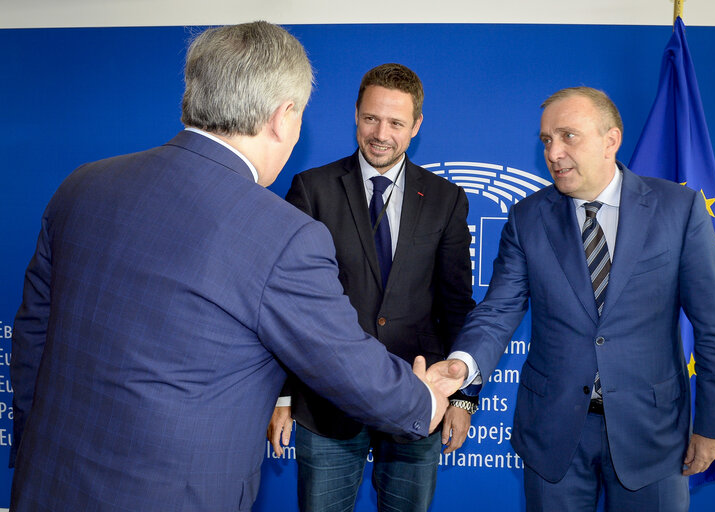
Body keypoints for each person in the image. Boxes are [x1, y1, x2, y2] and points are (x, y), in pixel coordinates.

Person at [9, 22, 455, 512]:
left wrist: (32, 445)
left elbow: (33, 335)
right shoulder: (282, 234)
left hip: (46, 482)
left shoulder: (82, 185)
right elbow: (341, 359)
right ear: (283, 117)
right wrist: (424, 401)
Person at [429, 87, 715, 511]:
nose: (553, 152)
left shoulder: (678, 210)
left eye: (568, 136)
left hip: (652, 433)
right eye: (546, 140)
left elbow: (714, 325)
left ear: (611, 140)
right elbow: (499, 310)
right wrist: (462, 364)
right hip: (553, 433)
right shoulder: (527, 218)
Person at [267, 63, 476, 512]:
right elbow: (286, 304)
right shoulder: (313, 189)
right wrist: (283, 394)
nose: (381, 133)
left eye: (396, 122)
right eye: (371, 118)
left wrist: (461, 397)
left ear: (417, 125)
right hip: (326, 402)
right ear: (356, 113)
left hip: (418, 398)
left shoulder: (445, 199)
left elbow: (457, 304)